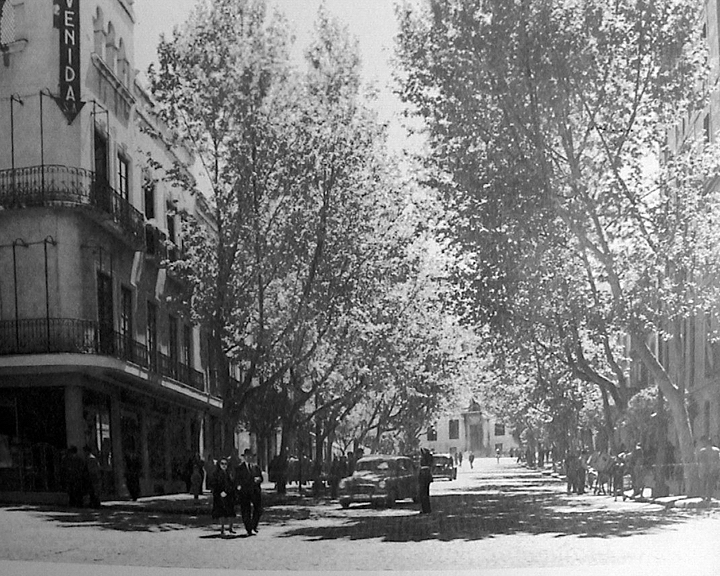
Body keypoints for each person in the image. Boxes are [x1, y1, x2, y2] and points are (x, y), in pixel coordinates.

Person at [236, 449, 263, 535]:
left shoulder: (256, 467)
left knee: (258, 509)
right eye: (247, 456)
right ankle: (248, 528)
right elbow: (237, 480)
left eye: (250, 456)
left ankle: (254, 525)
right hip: (245, 492)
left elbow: (261, 478)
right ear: (244, 457)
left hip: (255, 492)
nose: (248, 458)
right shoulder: (240, 468)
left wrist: (258, 479)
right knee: (245, 510)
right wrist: (239, 487)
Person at [211, 458, 236, 536]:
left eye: (225, 464)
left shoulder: (229, 473)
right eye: (222, 464)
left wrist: (230, 491)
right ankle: (222, 528)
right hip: (220, 495)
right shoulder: (216, 474)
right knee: (221, 513)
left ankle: (231, 527)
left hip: (229, 495)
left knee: (231, 512)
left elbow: (232, 483)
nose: (224, 465)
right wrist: (219, 492)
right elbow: (213, 485)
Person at [697, 436, 720, 502]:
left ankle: (704, 495)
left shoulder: (702, 451)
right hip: (714, 469)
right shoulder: (716, 450)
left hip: (705, 469)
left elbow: (700, 461)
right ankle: (709, 496)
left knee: (704, 482)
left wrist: (700, 469)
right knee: (711, 483)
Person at [418, 448, 433, 514]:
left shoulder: (425, 459)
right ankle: (427, 509)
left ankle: (426, 509)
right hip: (426, 476)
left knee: (423, 494)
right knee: (425, 494)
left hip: (424, 476)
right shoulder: (429, 459)